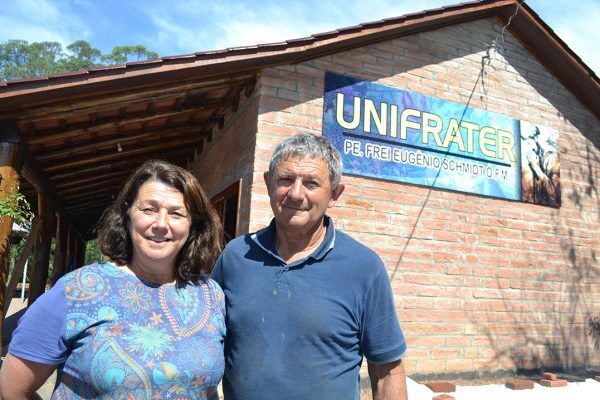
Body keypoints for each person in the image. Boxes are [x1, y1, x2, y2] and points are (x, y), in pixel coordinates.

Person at [0, 160, 225, 399]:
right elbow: (12, 389)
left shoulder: (211, 295)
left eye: (176, 213)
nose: (161, 224)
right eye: (148, 209)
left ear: (193, 224)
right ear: (128, 214)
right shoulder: (77, 291)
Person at [212, 133, 408, 400]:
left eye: (311, 183)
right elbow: (205, 342)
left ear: (335, 193)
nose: (295, 193)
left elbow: (387, 371)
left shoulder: (364, 268)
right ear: (269, 183)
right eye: (285, 179)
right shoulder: (236, 256)